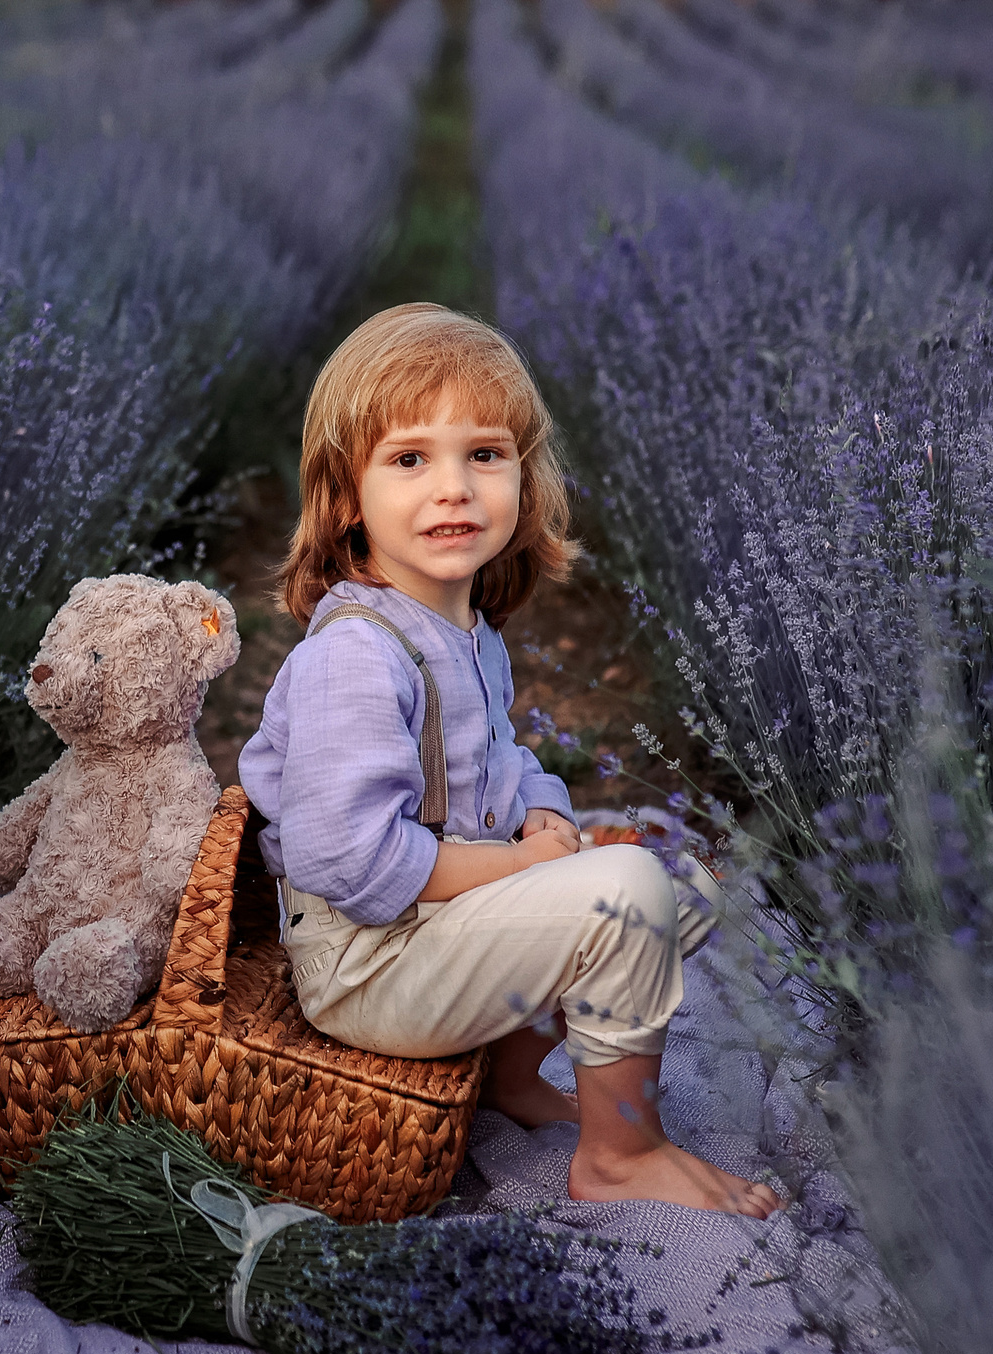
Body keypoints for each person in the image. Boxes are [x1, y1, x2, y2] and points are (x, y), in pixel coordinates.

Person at [239, 303, 779, 1218]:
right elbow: (349, 860)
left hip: (437, 924)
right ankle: (621, 1155)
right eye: (410, 459)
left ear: (525, 481)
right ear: (346, 496)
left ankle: (508, 1075)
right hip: (369, 962)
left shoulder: (463, 627)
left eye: (484, 454)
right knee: (624, 898)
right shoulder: (354, 655)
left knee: (680, 883)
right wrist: (521, 867)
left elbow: (499, 755)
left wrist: (544, 812)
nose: (454, 487)